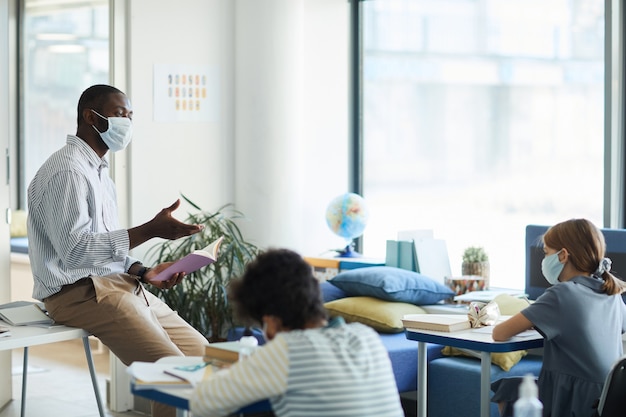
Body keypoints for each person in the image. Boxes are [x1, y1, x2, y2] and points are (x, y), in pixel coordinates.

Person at [27, 84, 210, 417]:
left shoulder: (99, 174)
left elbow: (103, 245)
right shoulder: (68, 171)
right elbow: (76, 253)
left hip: (119, 284)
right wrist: (149, 230)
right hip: (78, 293)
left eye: (130, 115)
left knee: (205, 357)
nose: (126, 122)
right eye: (119, 114)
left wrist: (142, 271)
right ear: (90, 117)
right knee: (173, 374)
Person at [190, 248, 404, 417]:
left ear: (271, 323)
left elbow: (202, 403)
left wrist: (234, 372)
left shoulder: (288, 350)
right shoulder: (366, 336)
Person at [491, 218, 626, 417]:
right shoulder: (612, 294)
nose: (544, 260)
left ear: (563, 255)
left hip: (574, 401)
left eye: (546, 253)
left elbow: (499, 333)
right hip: (608, 399)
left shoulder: (562, 294)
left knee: (507, 390)